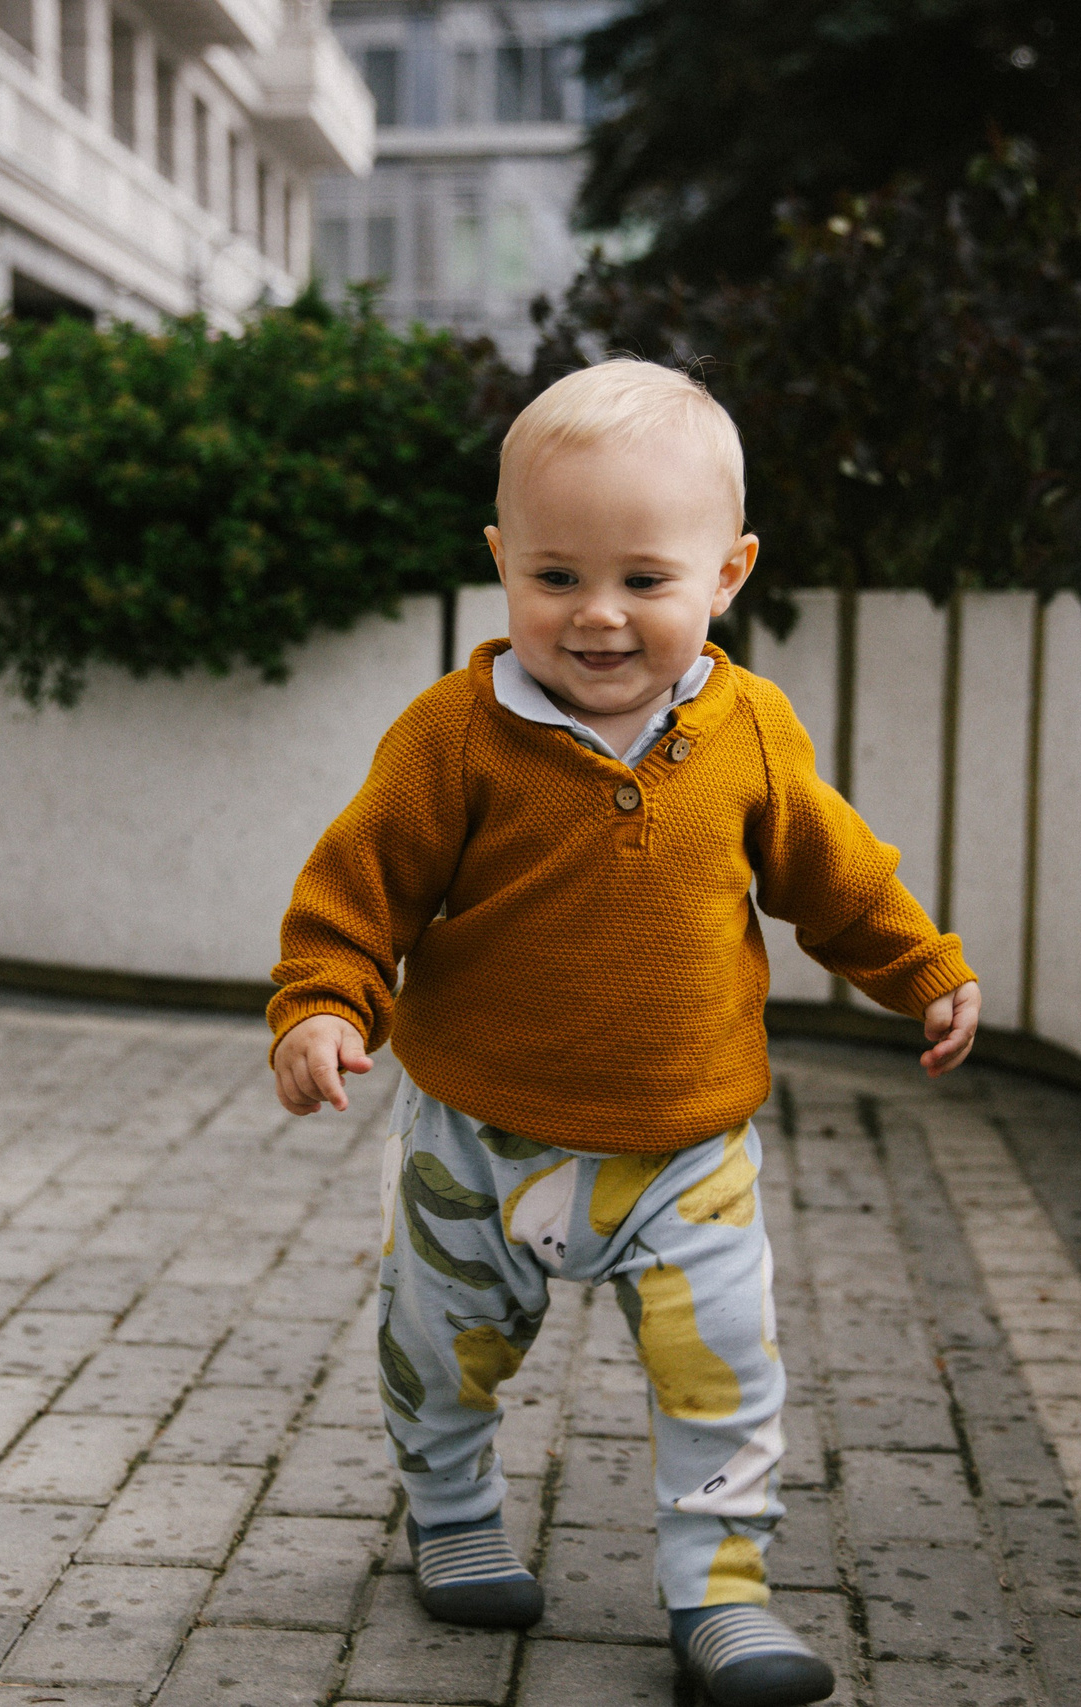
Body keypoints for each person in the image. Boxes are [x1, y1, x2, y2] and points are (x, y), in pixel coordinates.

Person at [267, 359, 980, 1707]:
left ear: (728, 572)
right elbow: (356, 892)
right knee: (435, 1348)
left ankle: (722, 1592)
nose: (596, 617)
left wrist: (923, 969)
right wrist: (318, 1005)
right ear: (500, 562)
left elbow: (837, 876)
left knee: (724, 1373)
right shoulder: (453, 737)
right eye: (555, 578)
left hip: (684, 1147)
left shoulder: (750, 730)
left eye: (644, 581)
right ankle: (456, 1517)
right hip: (474, 1139)